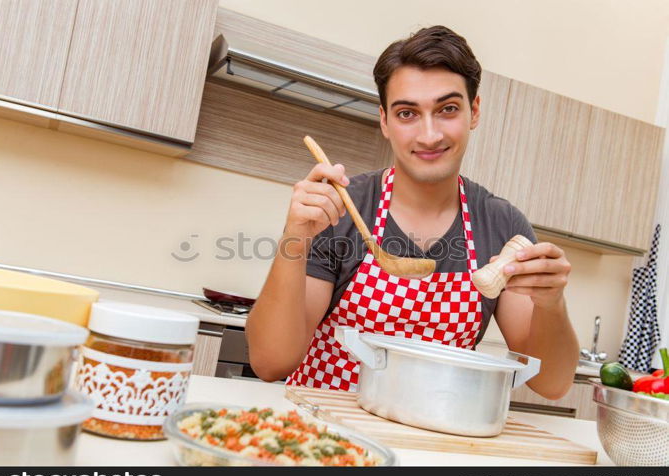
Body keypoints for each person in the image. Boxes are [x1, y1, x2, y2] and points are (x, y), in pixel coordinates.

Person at [245, 25, 579, 399]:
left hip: (432, 441)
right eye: (407, 114)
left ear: (474, 112)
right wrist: (296, 236)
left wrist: (552, 303)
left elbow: (551, 384)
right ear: (385, 121)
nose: (430, 134)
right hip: (326, 434)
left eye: (447, 109)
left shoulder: (501, 224)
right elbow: (270, 362)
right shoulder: (342, 208)